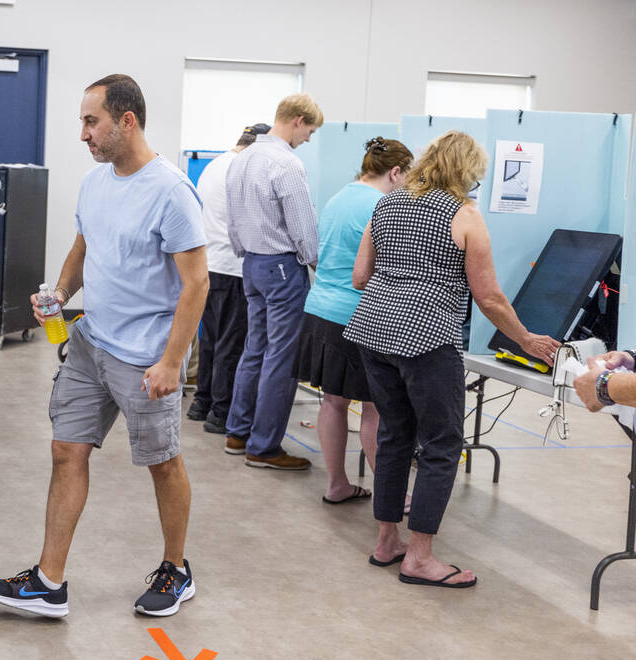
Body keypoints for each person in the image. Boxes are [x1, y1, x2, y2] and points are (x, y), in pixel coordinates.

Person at [0, 75, 209, 618]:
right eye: (82, 121)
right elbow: (84, 247)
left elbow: (197, 283)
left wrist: (173, 360)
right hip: (89, 344)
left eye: (91, 121)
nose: (83, 134)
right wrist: (59, 293)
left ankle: (177, 567)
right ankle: (48, 581)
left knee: (163, 462)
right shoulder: (95, 182)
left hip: (145, 356)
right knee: (65, 450)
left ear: (127, 120)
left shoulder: (172, 192)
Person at [344, 130, 558, 587]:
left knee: (395, 436)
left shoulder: (387, 203)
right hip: (427, 340)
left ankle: (387, 542)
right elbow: (491, 298)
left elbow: (361, 275)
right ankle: (419, 558)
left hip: (373, 331)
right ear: (467, 172)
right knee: (442, 446)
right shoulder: (464, 215)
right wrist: (525, 339)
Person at [294, 137, 412, 504]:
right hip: (358, 316)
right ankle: (397, 499)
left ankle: (337, 484)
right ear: (395, 173)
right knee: (376, 410)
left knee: (333, 403)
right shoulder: (383, 204)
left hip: (320, 312)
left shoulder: (337, 197)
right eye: (409, 176)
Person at [223, 94, 323, 470]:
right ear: (298, 120)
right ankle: (264, 448)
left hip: (251, 263)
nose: (309, 139)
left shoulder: (242, 158)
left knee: (255, 350)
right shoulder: (287, 164)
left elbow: (231, 218)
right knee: (281, 359)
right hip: (282, 269)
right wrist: (316, 264)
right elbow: (302, 229)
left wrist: (245, 252)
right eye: (310, 131)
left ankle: (238, 432)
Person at [189, 123, 269, 434]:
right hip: (234, 267)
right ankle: (221, 413)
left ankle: (202, 403)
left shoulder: (213, 166)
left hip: (208, 264)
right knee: (231, 344)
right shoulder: (242, 169)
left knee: (210, 338)